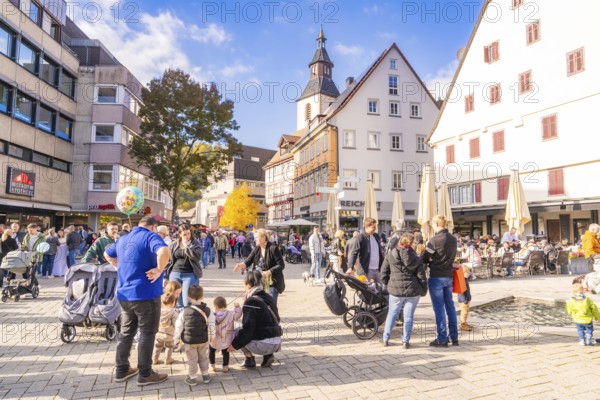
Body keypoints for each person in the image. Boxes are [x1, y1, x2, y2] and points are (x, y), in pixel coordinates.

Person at [104, 216, 170, 386]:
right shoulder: (150, 236)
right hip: (145, 294)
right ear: (154, 227)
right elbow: (164, 252)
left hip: (125, 295)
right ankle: (145, 373)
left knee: (126, 333)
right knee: (147, 334)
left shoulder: (123, 238)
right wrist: (159, 269)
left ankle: (121, 370)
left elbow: (106, 252)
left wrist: (116, 265)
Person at [228, 270, 282, 369]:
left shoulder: (250, 302)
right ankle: (268, 355)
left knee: (236, 330)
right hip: (277, 341)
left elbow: (247, 330)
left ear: (248, 285)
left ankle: (249, 360)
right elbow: (277, 319)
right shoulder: (269, 297)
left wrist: (234, 345)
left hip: (265, 344)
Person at [381, 233, 427, 348]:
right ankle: (405, 341)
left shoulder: (391, 254)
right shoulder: (416, 258)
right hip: (412, 290)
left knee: (392, 314)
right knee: (408, 317)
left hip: (395, 290)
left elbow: (384, 272)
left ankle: (386, 339)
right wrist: (424, 290)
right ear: (411, 244)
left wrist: (388, 285)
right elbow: (422, 276)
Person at [422, 215, 459, 347]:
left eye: (432, 223)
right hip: (448, 275)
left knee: (439, 308)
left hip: (436, 275)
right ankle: (454, 337)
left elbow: (425, 258)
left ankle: (442, 338)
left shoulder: (434, 240)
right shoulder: (453, 239)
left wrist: (431, 259)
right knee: (450, 306)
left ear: (436, 223)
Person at [173, 284, 215, 386]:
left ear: (188, 298)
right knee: (203, 358)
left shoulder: (184, 311)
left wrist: (176, 339)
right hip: (203, 340)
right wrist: (212, 336)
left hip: (189, 341)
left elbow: (178, 326)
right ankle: (205, 376)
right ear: (202, 296)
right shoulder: (208, 311)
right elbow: (212, 324)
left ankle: (192, 378)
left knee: (192, 359)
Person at [234, 229, 285, 305]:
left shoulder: (273, 248)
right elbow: (248, 261)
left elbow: (281, 265)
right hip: (259, 283)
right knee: (261, 305)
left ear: (264, 237)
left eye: (257, 237)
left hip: (272, 282)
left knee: (271, 305)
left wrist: (268, 272)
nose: (255, 239)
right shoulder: (256, 248)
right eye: (255, 237)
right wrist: (241, 265)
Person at [167, 224, 203, 308]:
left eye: (188, 233)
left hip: (189, 274)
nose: (187, 236)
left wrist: (187, 246)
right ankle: (178, 319)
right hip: (175, 273)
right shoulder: (174, 244)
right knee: (175, 300)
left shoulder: (195, 243)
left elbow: (197, 257)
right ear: (179, 234)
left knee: (187, 301)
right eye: (184, 234)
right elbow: (169, 260)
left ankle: (187, 318)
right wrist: (166, 275)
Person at [346, 218, 384, 284]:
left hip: (378, 269)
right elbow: (354, 253)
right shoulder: (360, 237)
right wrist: (350, 267)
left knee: (381, 290)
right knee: (367, 291)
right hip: (366, 270)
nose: (375, 228)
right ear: (366, 227)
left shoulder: (376, 236)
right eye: (373, 227)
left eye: (376, 226)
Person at [209, 296, 242, 373]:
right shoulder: (230, 314)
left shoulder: (212, 316)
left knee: (212, 351)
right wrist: (237, 307)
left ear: (215, 307)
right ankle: (225, 367)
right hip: (226, 339)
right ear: (225, 305)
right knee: (225, 353)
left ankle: (212, 365)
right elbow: (238, 315)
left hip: (215, 339)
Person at [153, 281, 181, 365]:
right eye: (177, 293)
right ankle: (167, 359)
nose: (178, 295)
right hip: (169, 334)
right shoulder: (173, 312)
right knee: (169, 346)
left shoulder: (159, 309)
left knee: (157, 346)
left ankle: (154, 359)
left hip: (158, 333)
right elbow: (176, 323)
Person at [458, 265, 473, 331]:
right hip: (464, 300)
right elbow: (461, 292)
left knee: (465, 313)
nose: (469, 273)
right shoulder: (462, 281)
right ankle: (463, 325)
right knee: (464, 313)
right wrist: (465, 300)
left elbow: (471, 276)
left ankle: (464, 323)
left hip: (465, 299)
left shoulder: (464, 279)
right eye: (468, 272)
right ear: (463, 273)